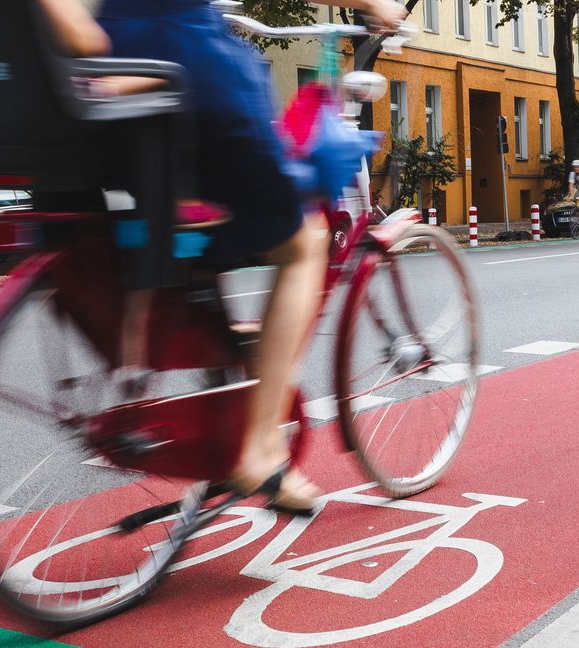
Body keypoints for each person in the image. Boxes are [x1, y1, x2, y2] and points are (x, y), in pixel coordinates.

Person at [41, 0, 405, 513]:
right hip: (185, 71)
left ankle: (226, 342)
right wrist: (373, 5)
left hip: (99, 100)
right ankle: (259, 451)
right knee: (304, 240)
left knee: (192, 211)